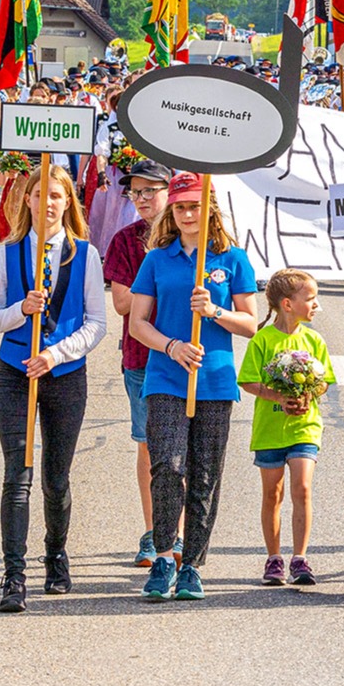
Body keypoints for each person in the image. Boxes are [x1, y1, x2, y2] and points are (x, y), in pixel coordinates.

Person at [0, 162, 108, 613]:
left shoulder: (86, 255)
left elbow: (97, 324)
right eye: (40, 195)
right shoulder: (8, 252)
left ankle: (56, 552)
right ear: (27, 200)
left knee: (55, 478)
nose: (48, 203)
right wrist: (21, 309)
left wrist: (55, 353)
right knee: (18, 475)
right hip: (14, 370)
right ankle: (14, 574)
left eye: (57, 196)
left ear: (67, 203)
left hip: (64, 373)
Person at [128, 173, 258, 602]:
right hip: (166, 377)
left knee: (205, 474)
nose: (186, 214)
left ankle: (193, 565)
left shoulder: (233, 258)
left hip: (215, 381)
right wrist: (172, 346)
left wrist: (215, 310)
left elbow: (250, 324)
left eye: (194, 206)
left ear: (210, 210)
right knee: (167, 466)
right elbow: (138, 322)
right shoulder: (157, 259)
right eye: (180, 207)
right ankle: (165, 554)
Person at [238, 269, 334, 588]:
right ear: (288, 304)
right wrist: (277, 394)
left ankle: (300, 557)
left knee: (302, 488)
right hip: (270, 428)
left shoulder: (314, 340)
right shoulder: (263, 339)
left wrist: (308, 394)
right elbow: (248, 379)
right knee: (273, 493)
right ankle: (274, 557)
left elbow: (325, 382)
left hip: (304, 427)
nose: (316, 304)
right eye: (310, 299)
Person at [102, 159, 174, 568]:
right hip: (142, 356)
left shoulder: (191, 238)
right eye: (135, 191)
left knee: (183, 450)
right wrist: (161, 276)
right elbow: (124, 304)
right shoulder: (127, 240)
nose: (142, 198)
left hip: (189, 356)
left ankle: (178, 533)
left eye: (150, 190)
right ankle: (153, 532)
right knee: (150, 447)